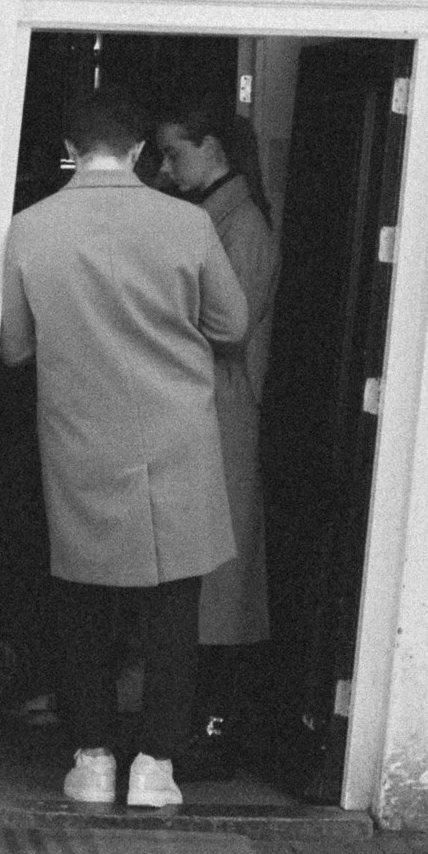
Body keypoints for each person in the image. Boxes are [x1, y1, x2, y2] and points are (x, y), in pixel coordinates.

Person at [0, 86, 247, 813]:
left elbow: (15, 348)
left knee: (81, 603)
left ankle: (94, 757)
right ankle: (156, 766)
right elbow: (232, 326)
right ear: (139, 152)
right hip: (176, 437)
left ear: (70, 151)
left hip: (78, 437)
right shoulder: (188, 224)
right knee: (174, 605)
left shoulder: (28, 228)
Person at [154, 101, 280, 778]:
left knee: (216, 582)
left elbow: (226, 327)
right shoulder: (216, 217)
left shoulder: (242, 227)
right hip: (200, 408)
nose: (168, 172)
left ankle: (208, 729)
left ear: (213, 148)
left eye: (176, 154)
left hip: (219, 410)